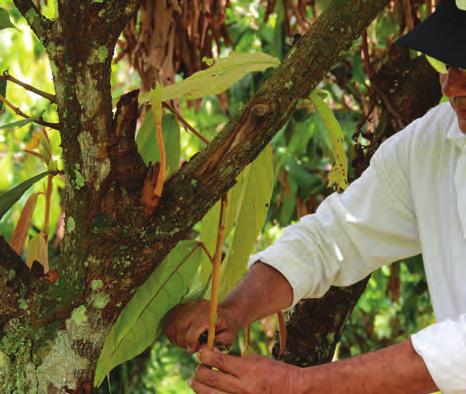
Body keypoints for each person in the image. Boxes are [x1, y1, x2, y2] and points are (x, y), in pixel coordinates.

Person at [164, 0, 466, 392]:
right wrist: (233, 309)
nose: (452, 86)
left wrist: (298, 384)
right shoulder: (430, 146)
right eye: (450, 64)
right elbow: (334, 238)